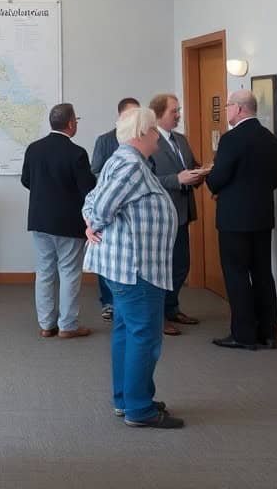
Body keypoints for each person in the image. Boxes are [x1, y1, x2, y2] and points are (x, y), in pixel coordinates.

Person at [84, 106, 182, 428]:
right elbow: (101, 205)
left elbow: (91, 199)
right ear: (142, 134)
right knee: (144, 337)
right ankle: (140, 409)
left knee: (127, 333)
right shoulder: (129, 164)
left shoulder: (122, 159)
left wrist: (91, 220)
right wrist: (93, 221)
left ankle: (126, 399)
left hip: (125, 267)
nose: (158, 137)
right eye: (154, 131)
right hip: (136, 268)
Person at [205, 89, 277, 351]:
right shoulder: (271, 140)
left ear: (239, 109)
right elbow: (275, 181)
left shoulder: (231, 140)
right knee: (262, 273)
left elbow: (218, 178)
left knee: (236, 274)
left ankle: (243, 334)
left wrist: (210, 180)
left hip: (233, 220)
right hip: (262, 217)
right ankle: (268, 332)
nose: (226, 110)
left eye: (228, 106)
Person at [21, 103, 97, 339]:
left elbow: (26, 181)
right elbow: (89, 189)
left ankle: (46, 324)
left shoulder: (33, 149)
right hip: (68, 223)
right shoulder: (77, 153)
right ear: (71, 124)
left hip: (39, 220)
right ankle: (68, 325)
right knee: (69, 273)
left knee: (44, 271)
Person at [147, 93, 205, 336]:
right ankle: (157, 316)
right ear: (159, 115)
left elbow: (190, 166)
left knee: (181, 265)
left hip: (182, 213)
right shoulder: (148, 141)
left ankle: (172, 308)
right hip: (160, 215)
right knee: (161, 268)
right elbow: (145, 179)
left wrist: (201, 173)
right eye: (174, 111)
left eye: (178, 110)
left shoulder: (180, 139)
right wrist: (176, 179)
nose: (179, 115)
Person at [89, 97, 140, 321]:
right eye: (130, 114)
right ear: (119, 116)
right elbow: (95, 171)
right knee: (107, 257)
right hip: (110, 210)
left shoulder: (143, 139)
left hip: (136, 213)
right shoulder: (105, 140)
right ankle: (108, 302)